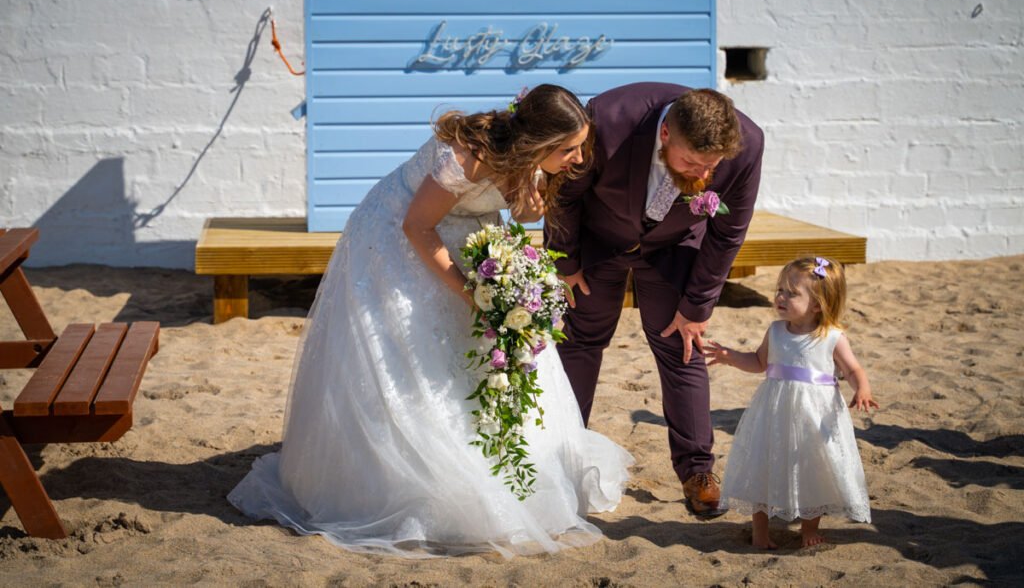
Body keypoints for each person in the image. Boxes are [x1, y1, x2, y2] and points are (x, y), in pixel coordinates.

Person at [228, 85, 633, 558]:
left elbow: (518, 213)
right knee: (417, 358)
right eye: (568, 149)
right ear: (538, 142)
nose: (579, 157)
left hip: (468, 237)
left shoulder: (524, 157)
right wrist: (471, 295)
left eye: (581, 145)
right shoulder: (466, 160)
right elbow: (416, 226)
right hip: (400, 240)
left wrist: (530, 194)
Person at [544, 82, 764, 517]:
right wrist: (566, 261)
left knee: (682, 345)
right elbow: (565, 195)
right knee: (581, 343)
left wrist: (697, 306)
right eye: (691, 162)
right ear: (665, 135)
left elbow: (728, 231)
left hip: (675, 245)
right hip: (599, 240)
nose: (702, 175)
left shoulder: (748, 143)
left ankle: (698, 471)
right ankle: (560, 460)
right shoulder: (606, 121)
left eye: (711, 166)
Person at [706, 256, 878, 548]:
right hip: (775, 412)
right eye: (779, 290)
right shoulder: (775, 331)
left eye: (791, 293)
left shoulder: (832, 337)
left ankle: (809, 529)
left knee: (813, 467)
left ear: (817, 304)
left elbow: (852, 369)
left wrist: (862, 388)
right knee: (764, 465)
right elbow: (759, 362)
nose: (780, 297)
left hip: (815, 416)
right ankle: (760, 532)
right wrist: (730, 357)